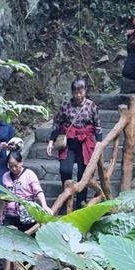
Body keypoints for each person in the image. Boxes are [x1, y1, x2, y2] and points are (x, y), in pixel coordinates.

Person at [0, 149, 51, 270]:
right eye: (10, 166)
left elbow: (38, 191)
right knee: (3, 243)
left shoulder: (29, 174)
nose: (13, 168)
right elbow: (3, 198)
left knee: (28, 243)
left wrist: (44, 205)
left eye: (15, 165)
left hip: (27, 215)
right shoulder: (5, 176)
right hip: (10, 214)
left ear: (21, 162)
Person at [46, 77, 103, 209]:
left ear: (85, 90)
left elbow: (98, 125)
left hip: (85, 141)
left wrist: (99, 142)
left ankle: (81, 201)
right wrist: (51, 141)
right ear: (72, 92)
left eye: (81, 92)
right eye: (76, 92)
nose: (78, 95)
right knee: (65, 169)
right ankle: (66, 196)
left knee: (84, 172)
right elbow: (57, 123)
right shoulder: (65, 106)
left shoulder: (91, 106)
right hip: (69, 143)